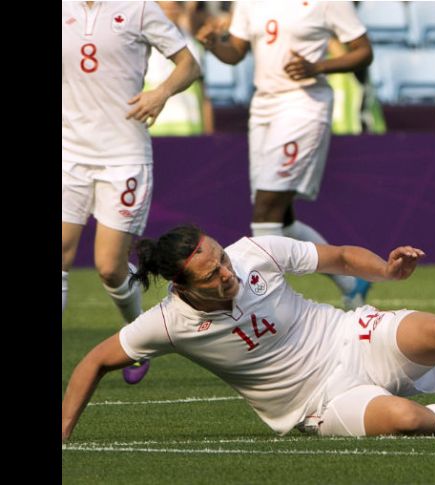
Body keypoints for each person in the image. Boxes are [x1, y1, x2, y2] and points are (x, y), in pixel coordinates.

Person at [62, 224, 435, 441]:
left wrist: (384, 269)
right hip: (319, 400)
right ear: (184, 286)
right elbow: (93, 361)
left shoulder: (254, 252)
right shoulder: (164, 323)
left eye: (223, 260)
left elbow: (333, 255)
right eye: (213, 275)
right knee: (406, 422)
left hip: (349, 334)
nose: (229, 273)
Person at [196, 1, 374, 309]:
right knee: (282, 215)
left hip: (303, 104)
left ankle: (266, 306)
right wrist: (213, 43)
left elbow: (363, 51)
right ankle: (352, 281)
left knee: (267, 207)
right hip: (263, 106)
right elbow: (236, 52)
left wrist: (317, 66)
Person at [62, 1, 201, 384]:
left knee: (110, 266)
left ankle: (136, 338)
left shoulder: (139, 8)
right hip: (69, 153)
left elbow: (190, 64)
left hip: (123, 154)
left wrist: (161, 93)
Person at [144, 1, 215, 136]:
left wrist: (209, 137)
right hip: (155, 133)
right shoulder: (141, 43)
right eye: (166, 5)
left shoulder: (193, 44)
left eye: (177, 3)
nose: (172, 7)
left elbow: (204, 95)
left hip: (191, 133)